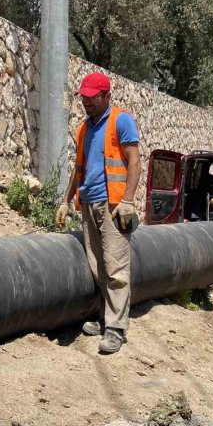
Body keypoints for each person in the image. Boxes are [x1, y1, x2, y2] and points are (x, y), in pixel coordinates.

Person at [56, 72, 141, 354]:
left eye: (92, 98)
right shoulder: (84, 128)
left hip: (114, 206)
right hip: (89, 203)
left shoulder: (121, 121)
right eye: (83, 98)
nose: (86, 103)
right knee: (98, 266)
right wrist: (66, 200)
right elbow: (77, 168)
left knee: (115, 267)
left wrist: (128, 200)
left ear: (106, 96)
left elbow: (135, 160)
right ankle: (105, 318)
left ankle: (116, 329)